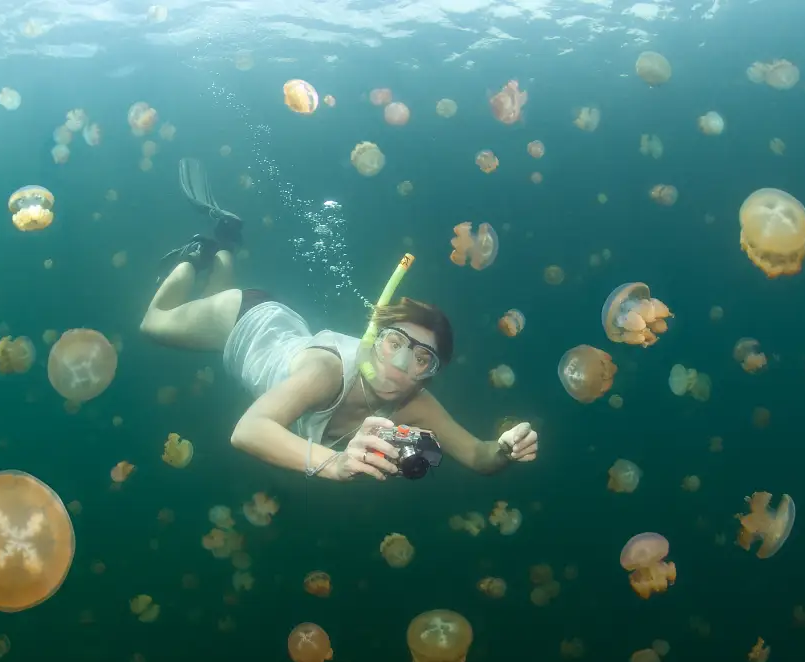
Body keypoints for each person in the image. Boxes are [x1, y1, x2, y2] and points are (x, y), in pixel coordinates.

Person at [140, 161, 538, 481]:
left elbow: (476, 455)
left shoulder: (416, 403)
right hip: (246, 320)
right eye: (395, 343)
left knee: (205, 295)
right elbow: (248, 430)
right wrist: (334, 463)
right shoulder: (327, 370)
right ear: (375, 337)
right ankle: (194, 256)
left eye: (421, 359)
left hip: (281, 327)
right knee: (154, 325)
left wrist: (504, 447)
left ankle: (224, 243)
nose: (400, 365)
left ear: (429, 373)